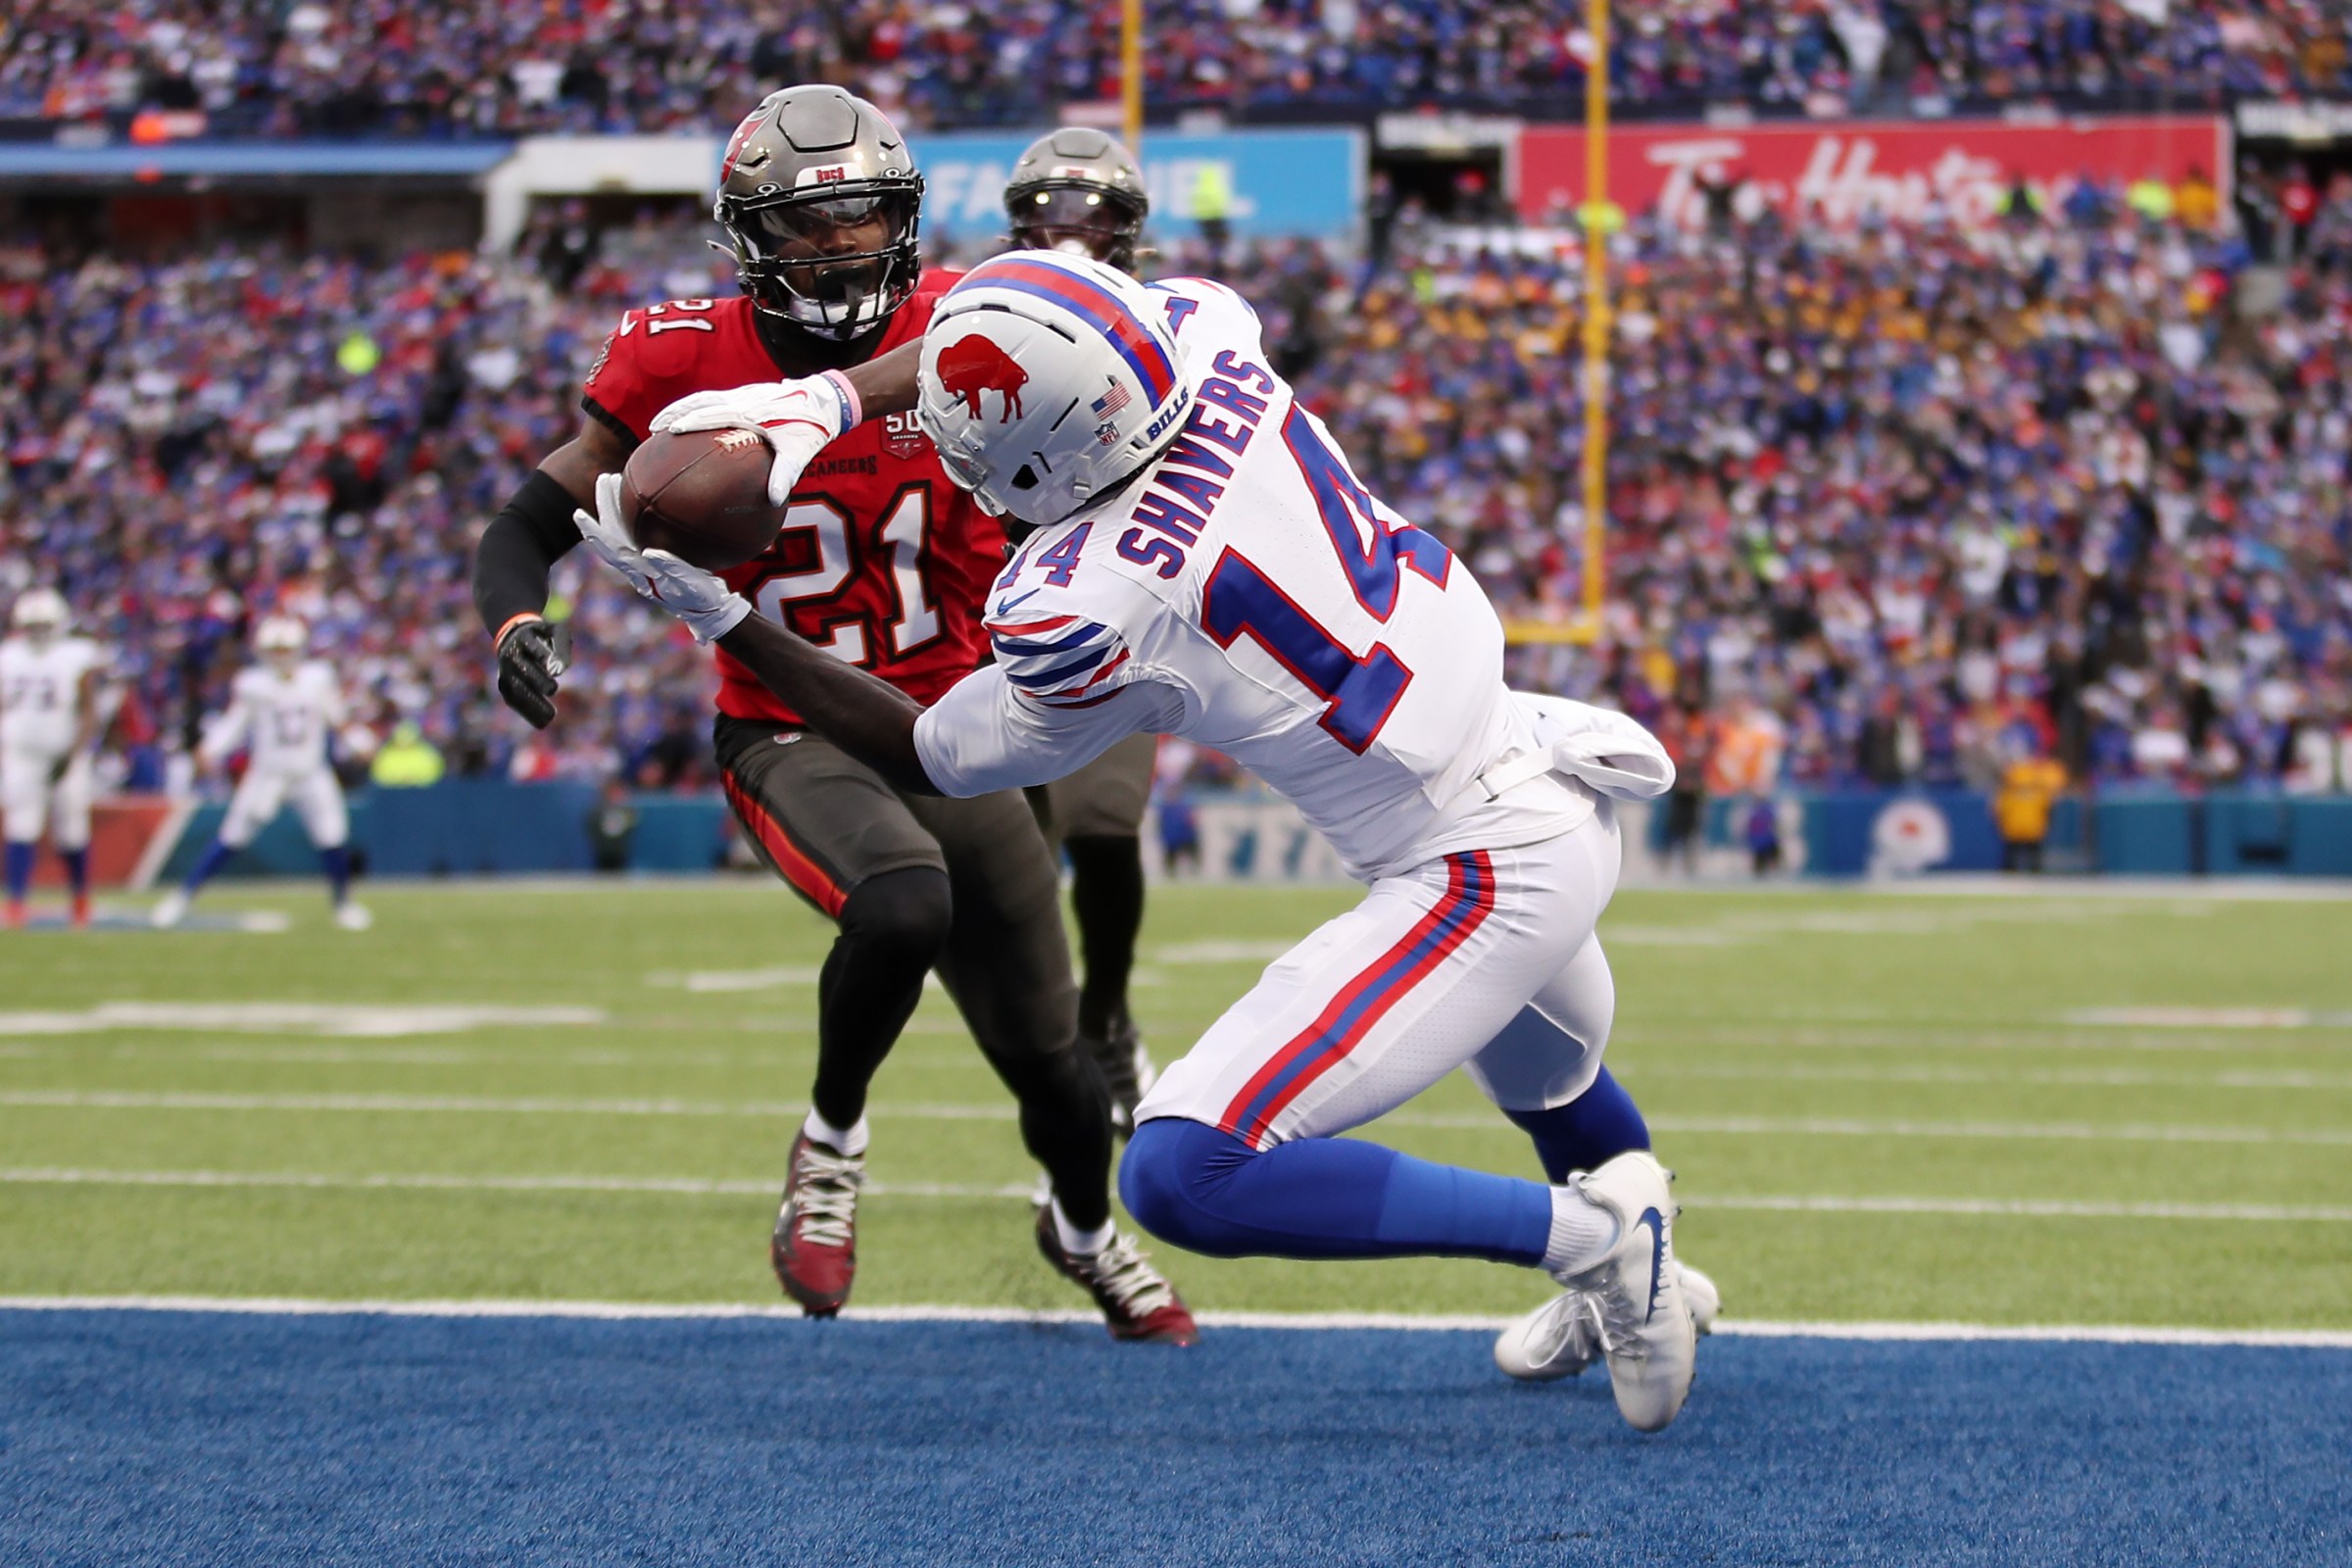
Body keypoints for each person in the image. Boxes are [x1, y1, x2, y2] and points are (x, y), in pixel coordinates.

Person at [576, 251, 1716, 1432]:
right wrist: (826, 400)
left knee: (1184, 1171)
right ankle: (1651, 1277)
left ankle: (1602, 1246)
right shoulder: (1212, 335)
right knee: (1554, 1082)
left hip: (1480, 868)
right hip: (1529, 758)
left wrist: (724, 619)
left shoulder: (1088, 598)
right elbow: (1053, 326)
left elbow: (931, 753)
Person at [468, 86, 1192, 1344]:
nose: (847, 247)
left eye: (867, 220)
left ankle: (1081, 1235)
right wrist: (515, 619)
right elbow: (528, 522)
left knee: (1061, 1076)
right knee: (905, 899)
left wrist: (837, 405)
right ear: (750, 237)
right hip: (794, 729)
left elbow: (1041, 360)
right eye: (813, 226)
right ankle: (833, 1140)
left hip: (959, 727)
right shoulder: (680, 357)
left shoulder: (961, 315)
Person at [1000, 127, 1160, 1131]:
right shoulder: (987, 314)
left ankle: (1104, 1016)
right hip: (1000, 600)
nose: (1070, 231)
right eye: (1052, 213)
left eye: (1091, 214)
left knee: (1102, 827)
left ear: (1126, 231)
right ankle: (1063, 1036)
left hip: (1115, 597)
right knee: (1008, 868)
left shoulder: (1165, 320)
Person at [154, 616, 370, 931]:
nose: (281, 656)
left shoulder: (316, 678)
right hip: (268, 774)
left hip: (310, 773)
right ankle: (183, 897)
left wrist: (358, 741)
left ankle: (343, 905)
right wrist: (211, 749)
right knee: (232, 835)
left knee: (332, 835)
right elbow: (235, 722)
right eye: (275, 649)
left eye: (286, 649)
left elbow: (337, 717)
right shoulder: (253, 684)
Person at [1, 588, 104, 929]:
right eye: (34, 624)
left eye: (46, 624)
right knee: (21, 825)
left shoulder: (76, 655)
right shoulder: (8, 656)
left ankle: (80, 899)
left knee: (71, 832)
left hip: (64, 754)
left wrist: (73, 753)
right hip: (21, 754)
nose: (40, 631)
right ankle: (16, 903)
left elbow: (89, 711)